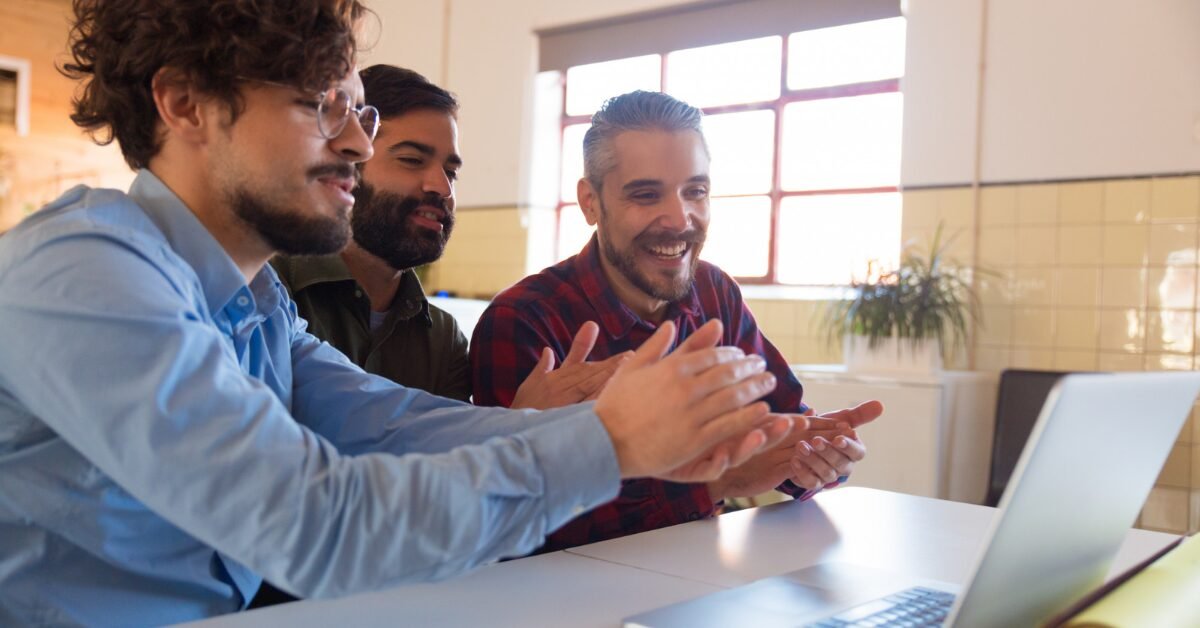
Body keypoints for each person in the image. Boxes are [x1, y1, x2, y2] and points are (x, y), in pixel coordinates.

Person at [0, 3, 796, 624]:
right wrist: (608, 442)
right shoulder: (83, 269)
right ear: (185, 104)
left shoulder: (258, 302)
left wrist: (622, 438)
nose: (356, 143)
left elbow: (397, 425)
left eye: (362, 114)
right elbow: (316, 522)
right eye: (323, 105)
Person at [471, 90, 881, 553]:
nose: (679, 218)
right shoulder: (523, 321)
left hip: (699, 571)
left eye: (695, 192)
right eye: (646, 195)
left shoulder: (714, 291)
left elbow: (784, 424)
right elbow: (518, 524)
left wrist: (816, 458)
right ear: (590, 202)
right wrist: (716, 483)